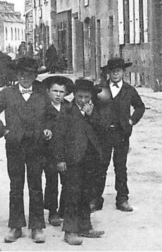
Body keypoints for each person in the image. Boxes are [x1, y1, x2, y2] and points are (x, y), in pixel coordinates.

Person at [0, 57, 50, 243]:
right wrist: (4, 131)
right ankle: (16, 226)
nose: (25, 78)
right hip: (15, 146)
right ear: (16, 75)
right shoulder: (7, 93)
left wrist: (48, 128)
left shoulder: (42, 94)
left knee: (36, 186)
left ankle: (37, 226)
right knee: (16, 186)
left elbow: (51, 116)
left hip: (36, 146)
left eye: (29, 74)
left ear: (34, 76)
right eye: (21, 74)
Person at [53, 78, 105, 246]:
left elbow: (102, 129)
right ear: (74, 95)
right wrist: (60, 159)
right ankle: (70, 230)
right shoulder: (66, 111)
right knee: (72, 195)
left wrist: (92, 116)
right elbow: (58, 137)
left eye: (87, 97)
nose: (83, 100)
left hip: (90, 159)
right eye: (80, 97)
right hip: (73, 159)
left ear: (91, 97)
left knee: (87, 193)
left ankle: (84, 226)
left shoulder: (93, 111)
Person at [92, 57, 145, 212]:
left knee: (120, 166)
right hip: (103, 133)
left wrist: (131, 120)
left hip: (121, 133)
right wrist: (98, 120)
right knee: (101, 166)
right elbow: (92, 107)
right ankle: (96, 199)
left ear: (123, 72)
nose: (115, 74)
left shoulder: (129, 90)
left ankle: (122, 199)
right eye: (112, 71)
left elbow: (140, 107)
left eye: (118, 71)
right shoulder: (100, 89)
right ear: (108, 72)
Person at [41, 75, 73, 227]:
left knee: (67, 182)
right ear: (48, 92)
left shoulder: (69, 108)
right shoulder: (43, 108)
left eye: (62, 91)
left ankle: (63, 209)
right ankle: (52, 211)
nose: (58, 95)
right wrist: (44, 130)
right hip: (49, 153)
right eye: (55, 91)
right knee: (51, 182)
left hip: (66, 152)